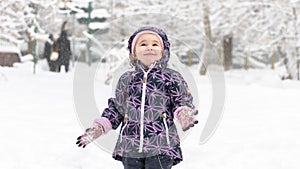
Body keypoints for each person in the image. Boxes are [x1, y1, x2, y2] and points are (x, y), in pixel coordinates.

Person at [76, 26, 198, 169]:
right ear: (134, 53)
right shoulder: (127, 79)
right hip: (130, 146)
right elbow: (117, 108)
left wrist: (184, 113)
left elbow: (182, 99)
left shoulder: (171, 77)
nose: (149, 48)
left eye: (155, 44)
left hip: (161, 145)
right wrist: (100, 127)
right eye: (143, 44)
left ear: (163, 52)